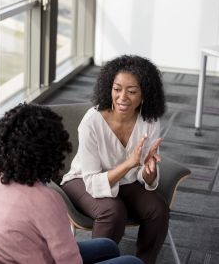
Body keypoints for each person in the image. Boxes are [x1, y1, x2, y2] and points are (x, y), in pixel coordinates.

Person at [0, 103, 144, 264]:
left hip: (5, 256)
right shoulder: (45, 199)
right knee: (133, 262)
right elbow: (68, 259)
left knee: (107, 247)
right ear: (50, 153)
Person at [60, 55, 169, 264]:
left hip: (125, 180)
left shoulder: (150, 121)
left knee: (158, 209)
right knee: (113, 211)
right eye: (117, 89)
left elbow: (141, 173)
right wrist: (130, 163)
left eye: (132, 91)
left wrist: (149, 171)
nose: (122, 97)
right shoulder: (92, 122)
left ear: (145, 94)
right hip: (82, 180)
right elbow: (91, 181)